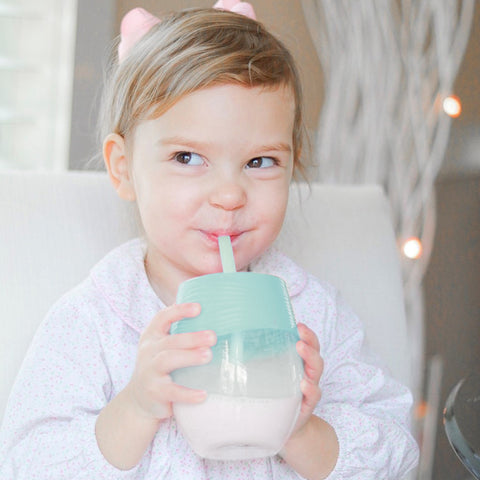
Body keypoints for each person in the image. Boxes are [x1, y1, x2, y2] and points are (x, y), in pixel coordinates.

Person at [0, 2, 419, 479]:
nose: (229, 195)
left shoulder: (311, 314)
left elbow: (396, 454)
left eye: (260, 162)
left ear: (294, 165)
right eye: (187, 157)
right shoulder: (94, 320)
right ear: (123, 168)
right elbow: (28, 464)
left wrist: (301, 431)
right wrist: (136, 408)